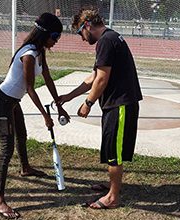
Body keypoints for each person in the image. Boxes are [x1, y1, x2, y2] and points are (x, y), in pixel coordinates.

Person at [59, 9, 142, 209]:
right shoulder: (110, 38)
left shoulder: (106, 41)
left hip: (120, 104)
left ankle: (113, 197)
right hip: (116, 104)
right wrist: (68, 97)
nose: (82, 38)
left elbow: (102, 79)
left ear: (87, 25)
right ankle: (112, 185)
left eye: (80, 32)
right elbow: (94, 77)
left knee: (114, 151)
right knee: (111, 148)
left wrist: (88, 103)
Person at [0, 13, 70, 219]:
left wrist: (59, 105)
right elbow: (30, 89)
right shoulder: (28, 54)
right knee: (6, 148)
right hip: (2, 102)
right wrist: (45, 116)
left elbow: (48, 77)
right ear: (44, 34)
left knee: (22, 135)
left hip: (13, 102)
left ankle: (25, 168)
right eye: (54, 36)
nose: (56, 41)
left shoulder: (39, 52)